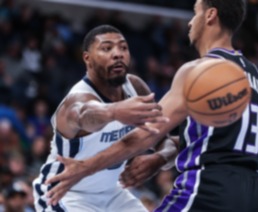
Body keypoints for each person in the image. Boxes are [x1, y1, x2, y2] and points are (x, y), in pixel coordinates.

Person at [46, 0, 258, 211]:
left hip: (212, 186)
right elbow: (211, 139)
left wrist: (86, 168)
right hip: (256, 192)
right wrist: (158, 159)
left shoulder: (199, 69)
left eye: (196, 12)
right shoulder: (252, 72)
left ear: (210, 15)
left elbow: (148, 134)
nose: (191, 21)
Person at [32, 25, 168, 211]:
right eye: (107, 48)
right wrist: (114, 111)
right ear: (87, 58)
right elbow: (85, 115)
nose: (118, 53)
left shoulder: (135, 87)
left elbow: (163, 138)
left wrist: (159, 158)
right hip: (66, 191)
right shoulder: (77, 99)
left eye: (123, 47)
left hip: (113, 193)